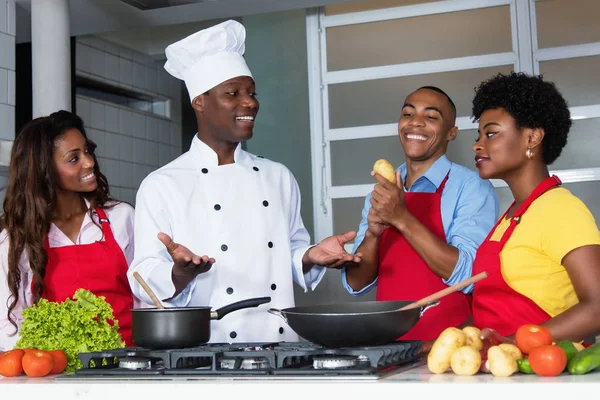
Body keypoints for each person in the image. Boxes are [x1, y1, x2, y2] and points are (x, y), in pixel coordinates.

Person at [128, 20, 360, 344]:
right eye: (232, 93)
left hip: (281, 348)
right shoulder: (163, 184)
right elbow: (141, 275)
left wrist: (309, 256)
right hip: (209, 352)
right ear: (200, 101)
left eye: (251, 92)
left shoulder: (278, 177)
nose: (249, 102)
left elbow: (288, 251)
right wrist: (178, 273)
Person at [342, 86, 500, 342]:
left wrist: (401, 218)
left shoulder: (471, 187)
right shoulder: (385, 190)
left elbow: (469, 276)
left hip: (450, 349)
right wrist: (372, 236)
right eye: (408, 113)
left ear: (452, 132)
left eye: (431, 117)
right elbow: (356, 284)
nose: (416, 122)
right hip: (389, 346)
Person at [470, 71, 600, 343]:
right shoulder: (510, 217)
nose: (478, 145)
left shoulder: (561, 210)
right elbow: (491, 311)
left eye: (491, 133)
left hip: (547, 376)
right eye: (479, 134)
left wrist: (517, 342)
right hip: (501, 373)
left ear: (532, 138)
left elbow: (597, 308)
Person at [0, 110, 136, 351]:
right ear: (45, 171)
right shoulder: (16, 240)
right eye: (74, 158)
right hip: (58, 377)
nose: (90, 162)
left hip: (129, 363)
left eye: (87, 151)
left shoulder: (121, 217)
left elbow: (146, 298)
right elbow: (8, 324)